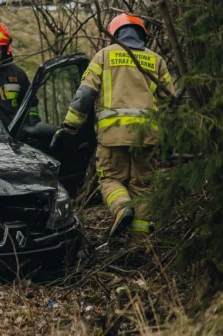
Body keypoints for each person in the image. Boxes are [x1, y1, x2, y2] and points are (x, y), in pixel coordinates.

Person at [52, 13, 175, 237]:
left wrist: (70, 127)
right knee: (143, 187)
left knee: (110, 179)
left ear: (115, 35)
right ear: (143, 36)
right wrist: (169, 136)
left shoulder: (105, 56)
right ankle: (139, 242)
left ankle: (121, 208)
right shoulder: (156, 60)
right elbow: (170, 101)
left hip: (113, 136)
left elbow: (85, 95)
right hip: (147, 137)